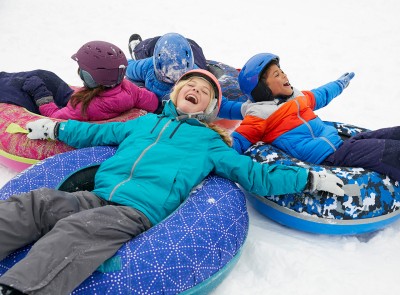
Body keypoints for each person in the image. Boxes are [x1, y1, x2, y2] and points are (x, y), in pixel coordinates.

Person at [0, 69, 343, 295]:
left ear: (210, 107)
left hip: (133, 211)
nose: (195, 89)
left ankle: (21, 289)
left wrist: (309, 178)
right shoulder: (142, 124)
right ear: (176, 94)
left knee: (78, 230)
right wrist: (55, 128)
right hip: (96, 195)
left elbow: (254, 174)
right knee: (37, 202)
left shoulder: (210, 144)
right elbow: (94, 132)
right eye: (189, 85)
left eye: (204, 91)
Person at [232, 52, 400, 182]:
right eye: (276, 75)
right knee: (389, 152)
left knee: (392, 134)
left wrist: (339, 84)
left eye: (282, 71)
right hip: (327, 159)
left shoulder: (296, 99)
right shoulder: (260, 116)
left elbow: (320, 95)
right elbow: (237, 142)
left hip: (340, 145)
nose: (284, 75)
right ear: (263, 89)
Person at [3, 41, 159, 121]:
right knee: (43, 75)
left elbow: (55, 118)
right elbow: (152, 102)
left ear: (92, 77)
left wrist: (41, 95)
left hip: (65, 109)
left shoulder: (85, 107)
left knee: (25, 83)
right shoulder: (128, 88)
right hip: (94, 98)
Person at [125, 32, 244, 119]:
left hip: (194, 55)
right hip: (155, 49)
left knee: (194, 48)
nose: (173, 78)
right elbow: (128, 67)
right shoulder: (147, 65)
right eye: (168, 75)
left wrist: (245, 110)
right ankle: (137, 48)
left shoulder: (196, 76)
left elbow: (220, 104)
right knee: (148, 47)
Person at [128, 33, 208, 70]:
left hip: (161, 65)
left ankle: (137, 51)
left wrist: (127, 65)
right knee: (192, 46)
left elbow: (133, 69)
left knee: (156, 44)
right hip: (194, 68)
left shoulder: (151, 67)